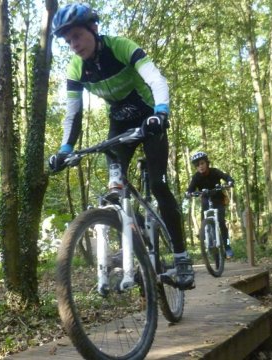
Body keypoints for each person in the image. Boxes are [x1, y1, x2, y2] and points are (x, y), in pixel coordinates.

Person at [48, 3, 194, 290]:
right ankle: (143, 244)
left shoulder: (121, 47)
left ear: (93, 29)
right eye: (68, 41)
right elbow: (73, 112)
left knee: (159, 184)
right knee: (115, 193)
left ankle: (182, 258)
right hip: (119, 125)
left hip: (149, 119)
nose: (73, 45)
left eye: (77, 36)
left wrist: (161, 111)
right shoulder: (76, 67)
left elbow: (155, 78)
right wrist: (66, 148)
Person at [186, 151, 235, 259]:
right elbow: (190, 189)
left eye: (202, 163)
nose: (200, 166)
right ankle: (208, 245)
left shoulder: (214, 172)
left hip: (218, 200)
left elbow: (225, 176)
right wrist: (189, 193)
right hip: (206, 202)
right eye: (197, 165)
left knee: (221, 223)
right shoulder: (196, 177)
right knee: (205, 224)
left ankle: (227, 246)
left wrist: (230, 181)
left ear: (207, 163)